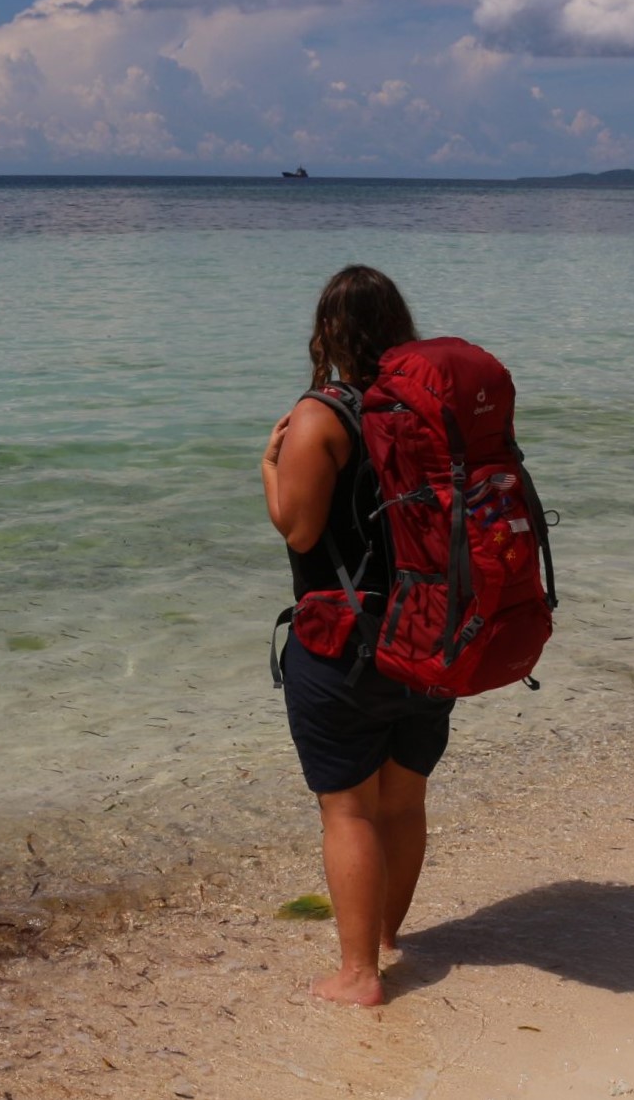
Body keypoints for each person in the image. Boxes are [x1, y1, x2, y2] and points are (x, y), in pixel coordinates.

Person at [260, 264, 454, 1007]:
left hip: (344, 645)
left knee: (348, 809)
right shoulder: (427, 411)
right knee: (403, 802)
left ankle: (358, 977)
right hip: (429, 635)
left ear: (326, 331)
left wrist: (266, 467)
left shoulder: (320, 417)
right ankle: (383, 940)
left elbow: (299, 525)